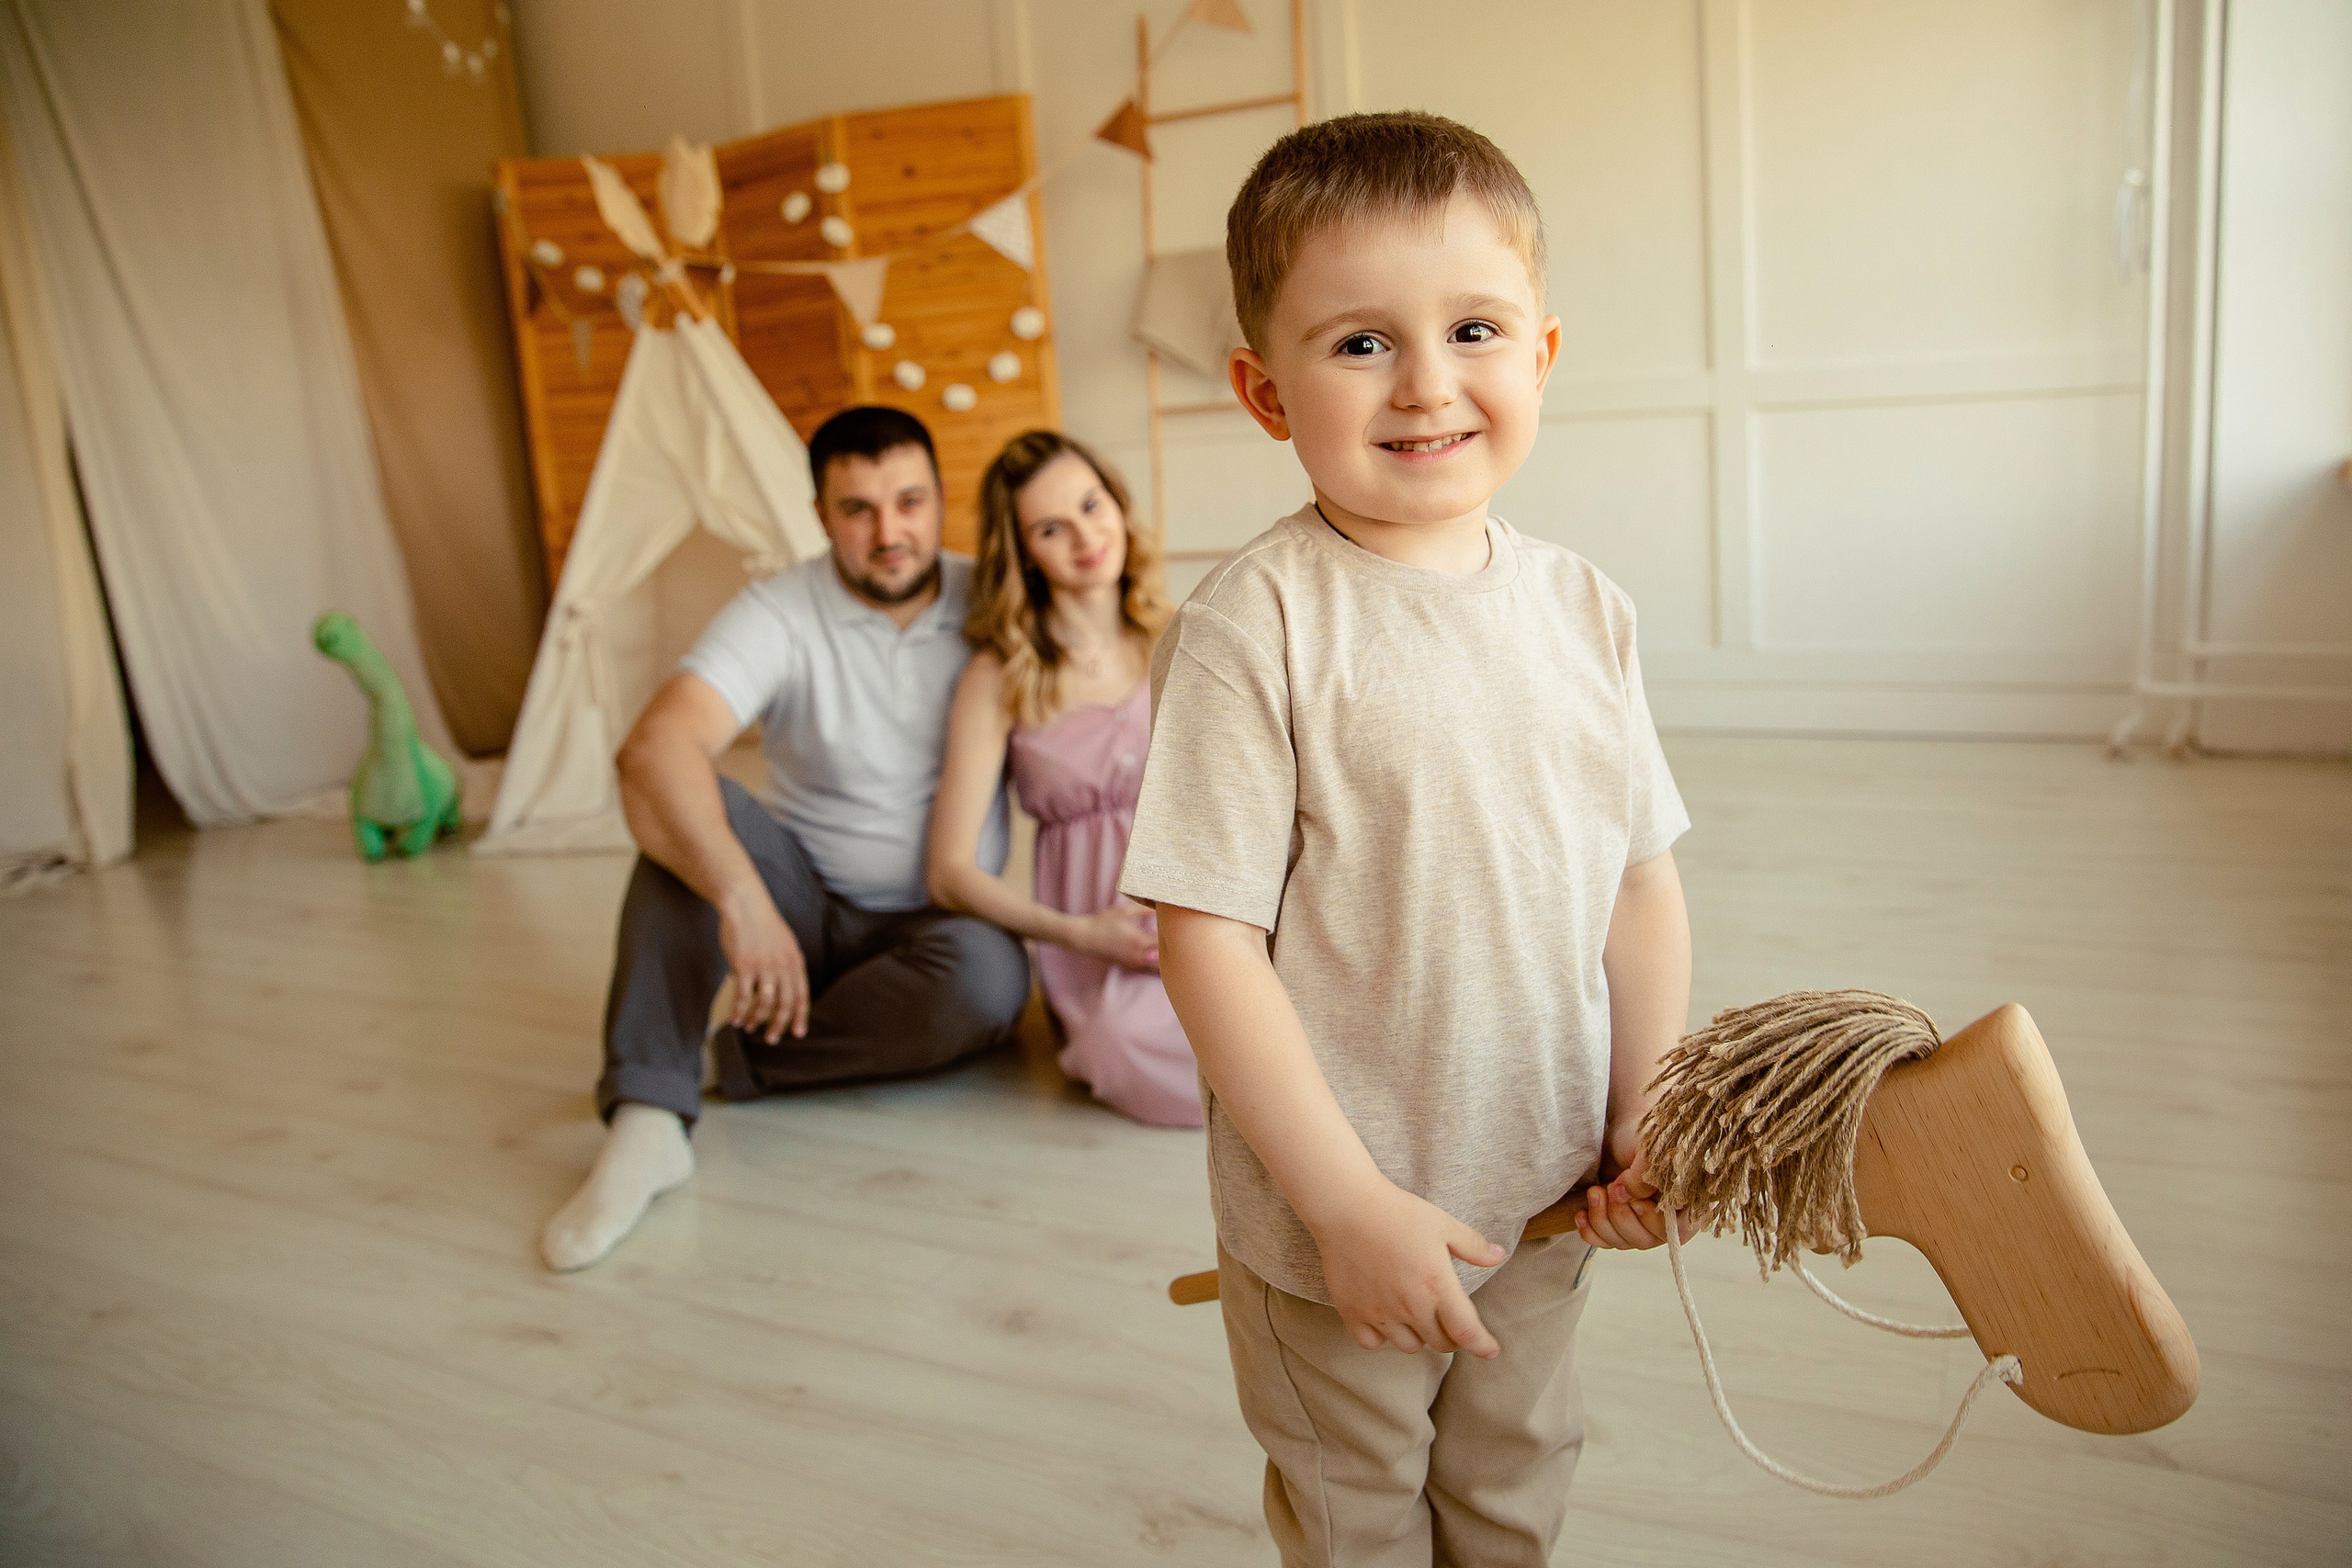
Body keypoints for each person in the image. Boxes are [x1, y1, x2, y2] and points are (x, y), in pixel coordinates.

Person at [1115, 112, 1697, 1567]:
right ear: (1263, 390)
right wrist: (1347, 1203)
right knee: (1357, 1508)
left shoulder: (1587, 609)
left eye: (1475, 328)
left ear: (1541, 357)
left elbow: (1638, 883)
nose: (1428, 382)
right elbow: (1207, 940)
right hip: (1337, 1231)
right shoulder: (1256, 626)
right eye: (1361, 342)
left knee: (1513, 1484)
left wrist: (1644, 1109)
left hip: (1546, 1194)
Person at [540, 405, 1032, 1273]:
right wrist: (741, 897)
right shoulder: (781, 608)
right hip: (800, 902)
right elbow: (654, 745)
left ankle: (735, 1059)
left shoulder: (990, 597)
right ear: (819, 516)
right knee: (687, 809)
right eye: (859, 509)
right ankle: (648, 1117)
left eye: (910, 502)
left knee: (991, 980)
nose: (891, 532)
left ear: (939, 499)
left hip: (937, 920)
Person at [924, 431, 1202, 1128]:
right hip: (1099, 943)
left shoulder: (1180, 633)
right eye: (1051, 527)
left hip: (1206, 910)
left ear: (1117, 503)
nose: (1085, 536)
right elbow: (948, 872)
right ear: (1023, 554)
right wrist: (1080, 934)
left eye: (1091, 504)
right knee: (1126, 1043)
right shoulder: (999, 677)